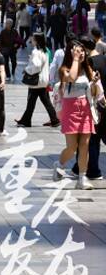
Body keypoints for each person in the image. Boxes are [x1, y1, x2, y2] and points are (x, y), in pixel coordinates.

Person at [54, 40, 100, 188]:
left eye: (82, 51)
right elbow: (72, 78)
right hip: (70, 109)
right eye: (77, 50)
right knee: (72, 147)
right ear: (71, 52)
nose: (80, 53)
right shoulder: (64, 69)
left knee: (85, 145)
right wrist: (75, 60)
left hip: (85, 109)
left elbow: (93, 93)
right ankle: (60, 164)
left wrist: (94, 83)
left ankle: (82, 179)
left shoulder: (88, 69)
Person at [14, 32, 60, 128]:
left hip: (36, 81)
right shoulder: (45, 51)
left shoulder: (36, 52)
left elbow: (36, 66)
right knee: (44, 101)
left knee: (32, 101)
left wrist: (27, 69)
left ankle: (26, 120)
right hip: (43, 80)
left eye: (33, 39)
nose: (31, 40)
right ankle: (54, 119)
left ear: (36, 40)